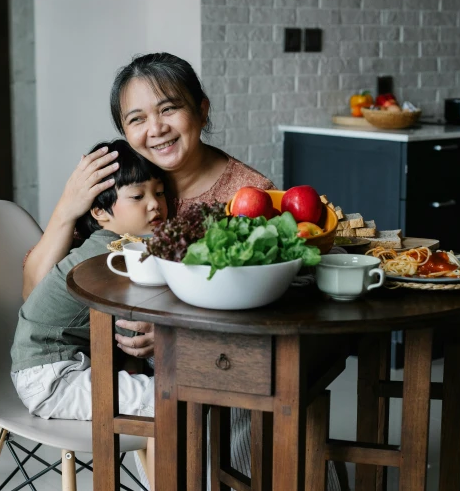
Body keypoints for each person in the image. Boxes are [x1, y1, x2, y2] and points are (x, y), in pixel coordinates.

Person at [23, 52, 344, 489]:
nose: (155, 129)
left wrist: (178, 338)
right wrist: (66, 208)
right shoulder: (124, 182)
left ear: (202, 110)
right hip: (99, 368)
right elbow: (35, 293)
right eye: (137, 118)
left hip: (209, 363)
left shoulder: (247, 196)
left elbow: (267, 317)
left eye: (169, 108)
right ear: (125, 132)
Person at [11, 139, 165, 488]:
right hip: (50, 377)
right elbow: (131, 332)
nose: (155, 205)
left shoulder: (123, 245)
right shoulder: (113, 257)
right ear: (100, 212)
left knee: (162, 395)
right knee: (165, 402)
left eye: (159, 192)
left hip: (67, 364)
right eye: (138, 197)